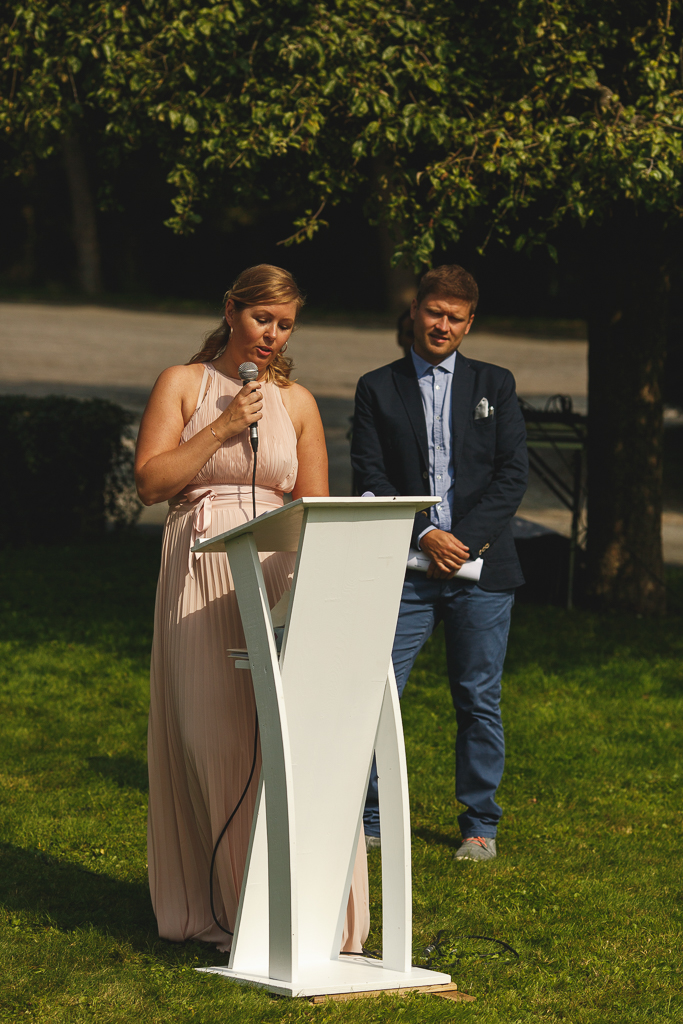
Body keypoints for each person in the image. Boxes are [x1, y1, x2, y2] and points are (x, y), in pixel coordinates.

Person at [135, 264, 369, 951]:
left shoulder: (296, 401)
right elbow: (152, 482)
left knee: (289, 744)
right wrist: (222, 427)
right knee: (215, 739)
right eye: (263, 318)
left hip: (277, 574)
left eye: (286, 324)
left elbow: (316, 508)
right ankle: (232, 910)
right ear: (232, 310)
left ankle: (312, 909)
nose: (273, 335)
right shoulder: (181, 384)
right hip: (201, 571)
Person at [351, 264, 528, 862]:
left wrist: (464, 541)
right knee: (379, 692)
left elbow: (512, 476)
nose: (442, 325)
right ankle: (371, 816)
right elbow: (370, 478)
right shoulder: (377, 387)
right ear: (415, 312)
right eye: (434, 312)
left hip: (484, 573)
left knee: (478, 697)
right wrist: (427, 534)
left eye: (455, 317)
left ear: (469, 323)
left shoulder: (495, 384)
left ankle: (480, 825)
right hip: (406, 569)